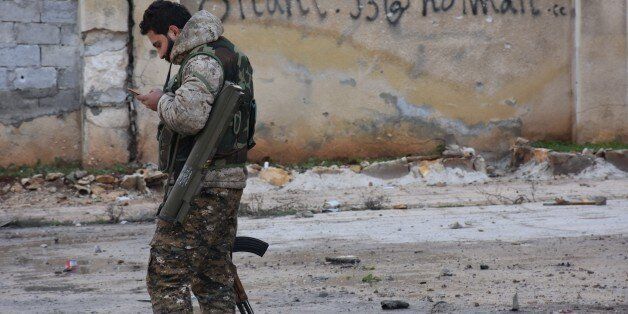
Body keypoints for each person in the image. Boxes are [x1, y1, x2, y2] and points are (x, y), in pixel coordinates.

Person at [136, 1, 255, 312]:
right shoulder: (227, 53)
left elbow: (188, 118)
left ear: (175, 31)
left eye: (159, 43)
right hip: (222, 181)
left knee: (167, 275)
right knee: (213, 277)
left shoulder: (202, 62)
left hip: (200, 185)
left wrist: (160, 101)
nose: (160, 54)